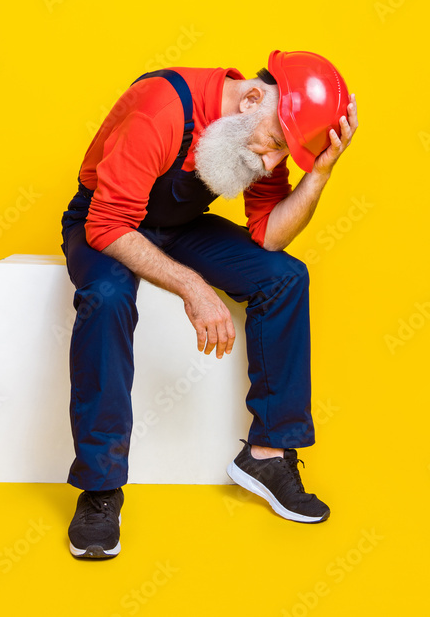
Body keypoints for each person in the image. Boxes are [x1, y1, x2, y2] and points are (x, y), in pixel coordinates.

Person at [59, 50, 358, 559]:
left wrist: (320, 174)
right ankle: (100, 488)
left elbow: (269, 238)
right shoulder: (162, 109)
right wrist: (193, 288)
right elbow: (107, 225)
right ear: (251, 99)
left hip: (178, 228)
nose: (271, 165)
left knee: (286, 278)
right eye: (277, 147)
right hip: (107, 222)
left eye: (285, 157)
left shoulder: (257, 126)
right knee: (107, 298)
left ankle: (268, 453)